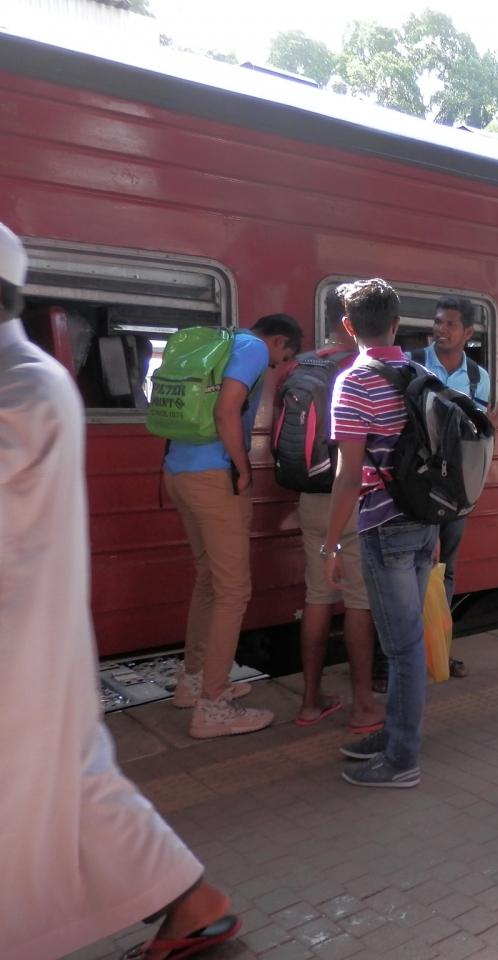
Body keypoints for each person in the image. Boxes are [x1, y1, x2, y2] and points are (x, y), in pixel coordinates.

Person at [0, 222, 240, 960]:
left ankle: (194, 901)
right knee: (66, 782)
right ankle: (193, 903)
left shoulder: (23, 383)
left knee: (58, 781)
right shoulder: (29, 377)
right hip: (26, 634)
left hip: (21, 635)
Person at [324, 279, 439, 788]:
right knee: (407, 642)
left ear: (349, 327)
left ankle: (401, 760)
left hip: (384, 526)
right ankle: (395, 734)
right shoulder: (419, 373)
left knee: (402, 648)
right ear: (396, 324)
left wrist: (331, 543)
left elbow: (348, 475)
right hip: (424, 521)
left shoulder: (354, 382)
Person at [165, 311, 300, 738]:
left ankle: (193, 681)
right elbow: (227, 411)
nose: (277, 366)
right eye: (283, 358)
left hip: (178, 472)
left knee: (209, 579)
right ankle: (213, 705)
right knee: (233, 591)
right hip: (213, 479)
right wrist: (243, 468)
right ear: (278, 341)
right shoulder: (253, 348)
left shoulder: (220, 344)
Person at [290, 290, 383, 733]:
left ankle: (310, 702)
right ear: (353, 323)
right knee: (359, 602)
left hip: (310, 497)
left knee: (317, 596)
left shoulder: (302, 366)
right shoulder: (360, 369)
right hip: (353, 498)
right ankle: (363, 706)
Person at [411, 295, 492, 679]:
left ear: (468, 332)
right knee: (412, 569)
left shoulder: (478, 378)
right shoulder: (411, 363)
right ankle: (401, 656)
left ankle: (438, 652)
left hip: (456, 489)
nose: (440, 329)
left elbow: (477, 435)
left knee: (445, 571)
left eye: (450, 324)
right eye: (438, 322)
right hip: (416, 485)